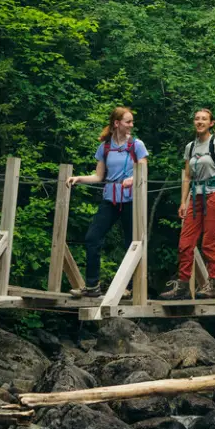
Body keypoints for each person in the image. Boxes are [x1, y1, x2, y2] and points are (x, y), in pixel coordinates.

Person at [66, 106, 148, 298]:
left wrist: (133, 178)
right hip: (110, 198)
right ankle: (92, 285)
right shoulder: (105, 147)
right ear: (116, 123)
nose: (131, 125)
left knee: (132, 243)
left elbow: (143, 171)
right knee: (92, 237)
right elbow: (98, 176)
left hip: (131, 200)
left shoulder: (137, 145)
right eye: (128, 121)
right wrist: (79, 178)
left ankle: (128, 287)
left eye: (132, 121)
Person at [163, 108, 215, 299]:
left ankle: (213, 285)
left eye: (204, 119)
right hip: (195, 199)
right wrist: (183, 202)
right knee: (185, 243)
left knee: (209, 243)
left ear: (211, 123)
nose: (200, 122)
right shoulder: (190, 147)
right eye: (197, 119)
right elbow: (187, 176)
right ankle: (182, 287)